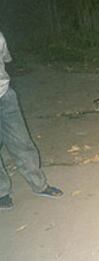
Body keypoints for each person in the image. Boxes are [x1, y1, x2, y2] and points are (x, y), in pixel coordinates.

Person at [0, 31, 63, 210]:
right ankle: (1, 193)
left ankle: (39, 185)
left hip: (5, 95)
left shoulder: (0, 37)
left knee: (22, 142)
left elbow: (6, 59)